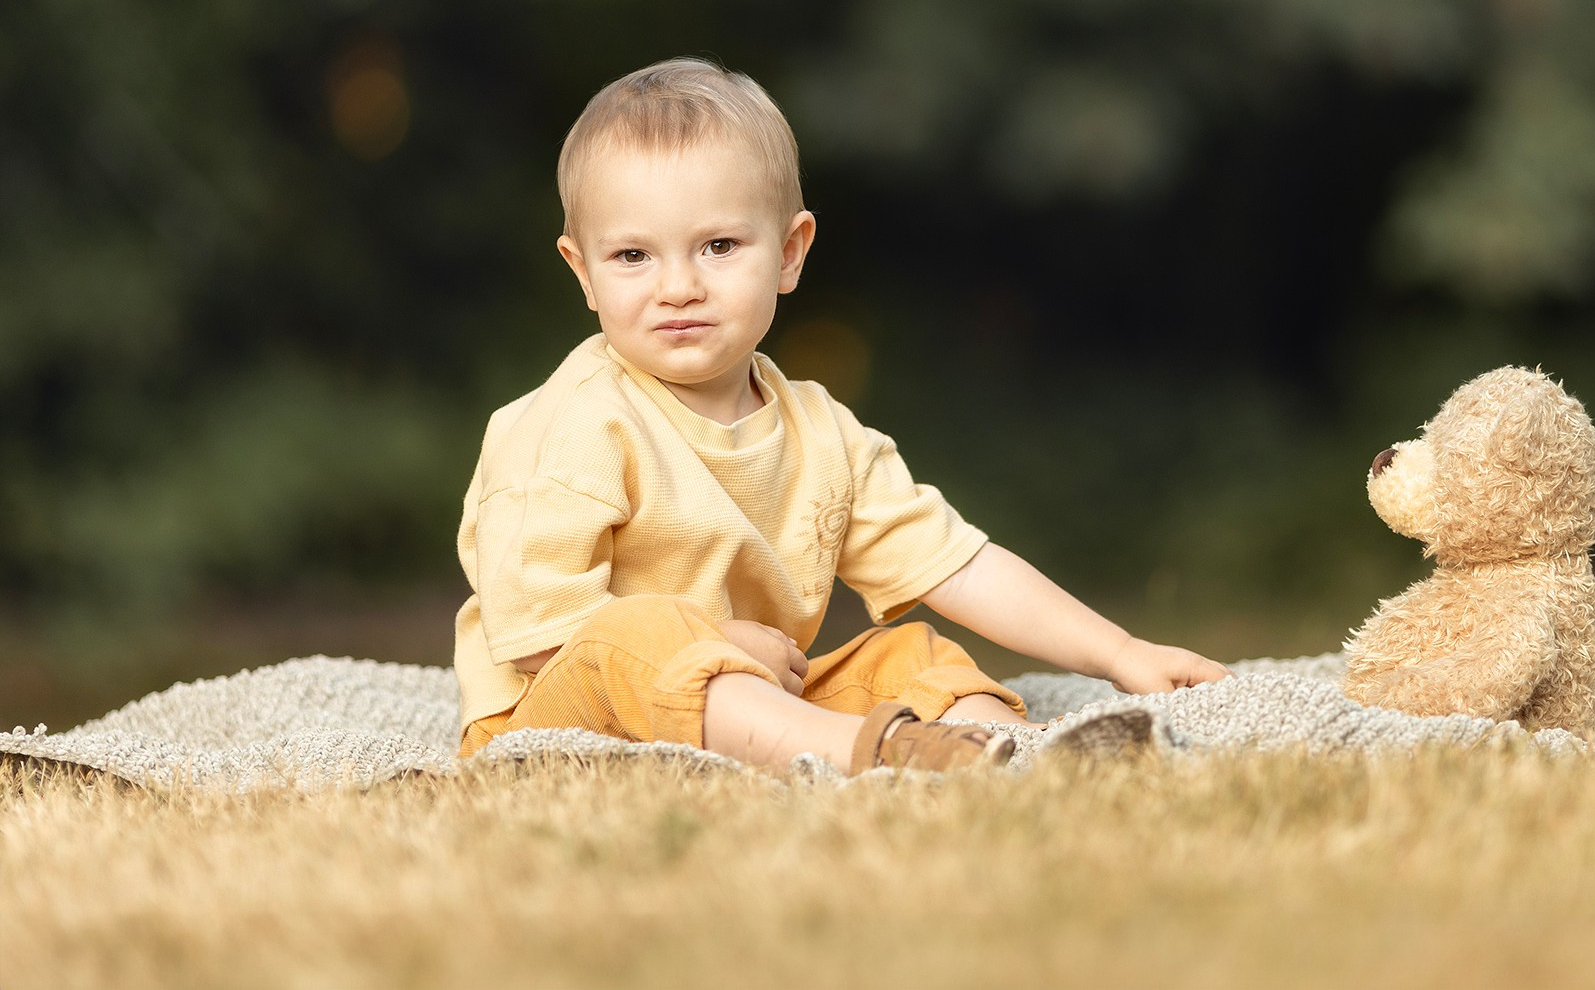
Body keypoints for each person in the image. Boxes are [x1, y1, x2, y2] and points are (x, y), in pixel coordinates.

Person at [454, 57, 1229, 775]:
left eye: (718, 245)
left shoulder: (819, 432)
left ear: (790, 252)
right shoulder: (572, 426)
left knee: (910, 652)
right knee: (638, 633)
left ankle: (1002, 753)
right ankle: (876, 752)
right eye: (633, 257)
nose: (678, 285)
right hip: (562, 716)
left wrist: (1119, 650)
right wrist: (718, 641)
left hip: (756, 699)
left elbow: (955, 563)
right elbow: (546, 636)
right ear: (582, 271)